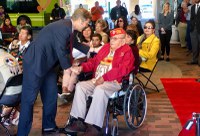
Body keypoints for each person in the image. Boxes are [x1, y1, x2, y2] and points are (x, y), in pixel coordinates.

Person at [17, 8, 92, 135]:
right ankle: (22, 133)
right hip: (35, 63)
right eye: (86, 23)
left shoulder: (68, 27)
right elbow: (61, 50)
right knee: (28, 101)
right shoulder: (64, 27)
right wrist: (69, 67)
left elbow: (73, 44)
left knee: (51, 96)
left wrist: (92, 49)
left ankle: (48, 127)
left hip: (48, 65)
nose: (87, 26)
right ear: (80, 20)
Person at [64, 28, 134, 135]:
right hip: (97, 80)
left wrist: (104, 78)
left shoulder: (127, 51)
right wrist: (82, 68)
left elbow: (122, 69)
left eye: (115, 39)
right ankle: (79, 121)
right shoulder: (105, 48)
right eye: (111, 38)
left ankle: (94, 126)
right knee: (80, 86)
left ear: (123, 40)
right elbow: (93, 62)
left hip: (114, 82)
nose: (111, 41)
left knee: (100, 89)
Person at [187, 0, 200, 65]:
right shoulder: (192, 7)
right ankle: (195, 60)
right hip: (193, 29)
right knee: (194, 45)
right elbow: (192, 18)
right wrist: (191, 27)